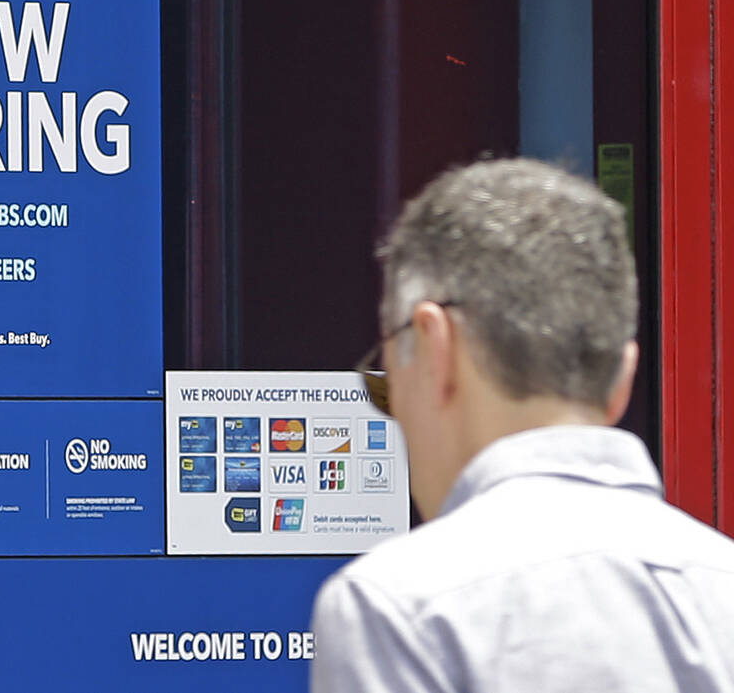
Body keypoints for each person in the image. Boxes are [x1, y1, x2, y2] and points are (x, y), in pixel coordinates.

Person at [311, 158, 734, 692]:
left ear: (436, 346)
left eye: (387, 378)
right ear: (621, 379)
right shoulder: (721, 586)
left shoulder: (396, 608)